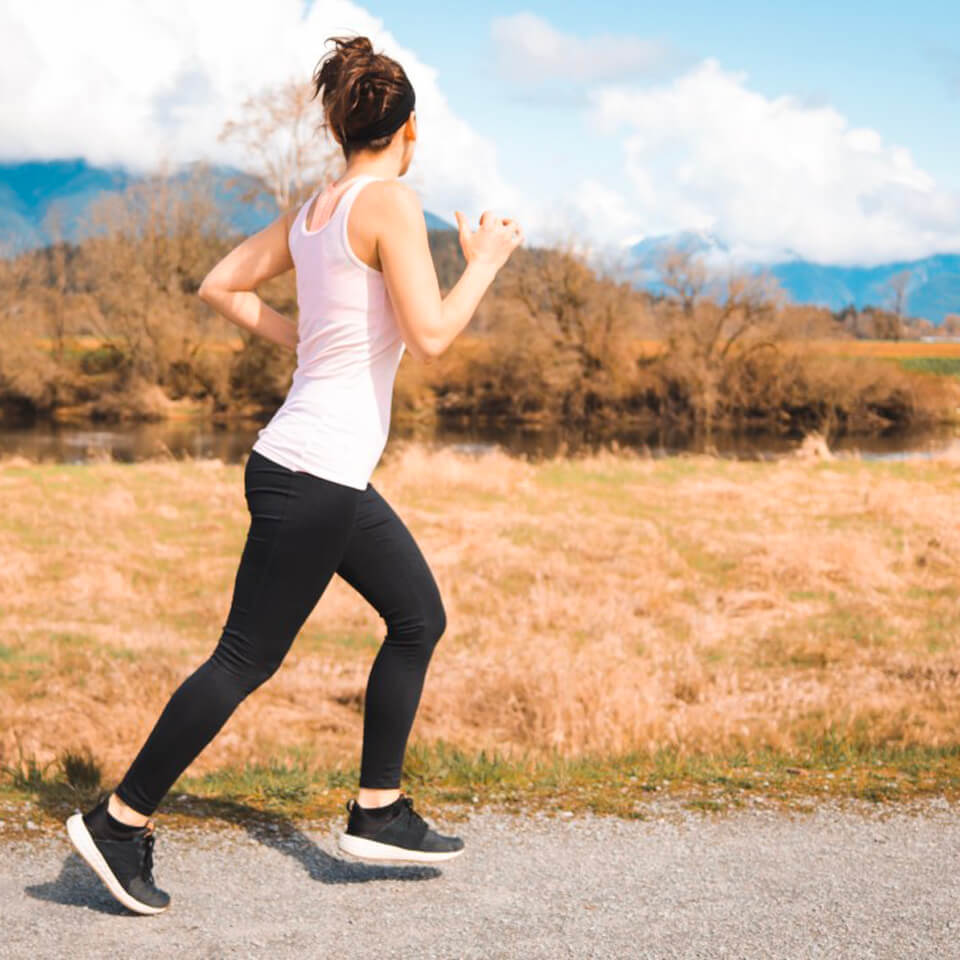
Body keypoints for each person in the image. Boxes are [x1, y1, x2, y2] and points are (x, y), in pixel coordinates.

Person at [65, 32, 524, 916]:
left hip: (317, 469)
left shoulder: (317, 209)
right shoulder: (389, 201)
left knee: (417, 615)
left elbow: (220, 285)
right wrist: (488, 264)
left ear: (339, 124)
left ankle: (378, 810)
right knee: (243, 659)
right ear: (408, 131)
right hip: (313, 475)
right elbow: (430, 338)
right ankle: (119, 823)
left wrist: (305, 339)